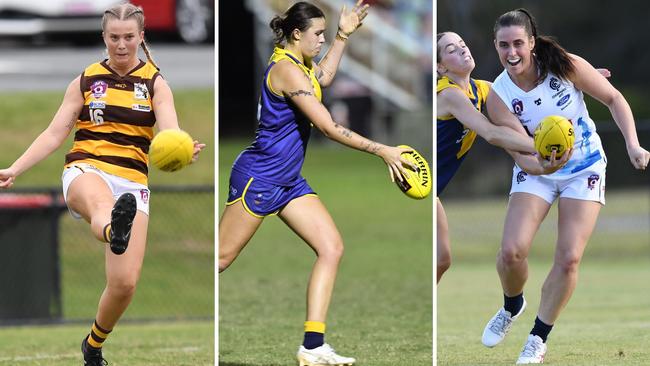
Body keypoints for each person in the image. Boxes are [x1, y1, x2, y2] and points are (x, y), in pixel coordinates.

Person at [0, 3, 204, 365]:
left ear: (141, 37)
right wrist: (15, 168)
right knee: (101, 206)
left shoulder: (156, 84)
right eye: (114, 38)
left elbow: (170, 132)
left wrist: (182, 149)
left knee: (124, 284)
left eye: (128, 37)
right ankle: (113, 227)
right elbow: (55, 132)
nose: (121, 45)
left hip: (132, 180)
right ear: (104, 38)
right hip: (86, 168)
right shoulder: (86, 79)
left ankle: (93, 345)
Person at [218, 1, 414, 365]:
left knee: (331, 247)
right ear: (296, 34)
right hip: (259, 177)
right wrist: (382, 150)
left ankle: (312, 346)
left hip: (288, 180)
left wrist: (342, 36)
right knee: (220, 258)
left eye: (324, 34)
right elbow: (327, 126)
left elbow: (321, 79)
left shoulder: (300, 64)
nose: (321, 40)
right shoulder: (285, 70)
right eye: (318, 34)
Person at [480, 9, 649, 364]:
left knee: (569, 258)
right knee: (511, 252)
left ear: (532, 42)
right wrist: (543, 163)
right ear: (495, 46)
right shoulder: (498, 95)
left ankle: (538, 337)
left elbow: (614, 99)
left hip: (584, 167)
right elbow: (521, 155)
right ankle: (512, 305)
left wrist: (633, 144)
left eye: (518, 44)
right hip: (538, 169)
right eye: (503, 45)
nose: (511, 52)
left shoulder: (564, 64)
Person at [436, 31, 568, 284]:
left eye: (463, 44)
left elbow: (527, 87)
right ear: (440, 67)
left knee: (441, 260)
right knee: (439, 258)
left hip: (434, 189)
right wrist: (539, 145)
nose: (463, 49)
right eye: (451, 49)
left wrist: (572, 80)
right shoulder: (449, 95)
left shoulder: (481, 89)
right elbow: (491, 133)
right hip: (421, 180)